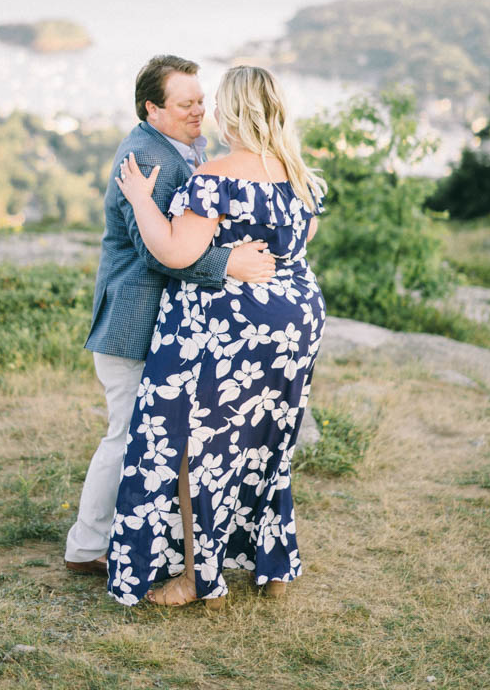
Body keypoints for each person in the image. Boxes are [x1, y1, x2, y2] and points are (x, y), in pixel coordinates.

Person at [107, 64, 326, 608]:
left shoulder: (216, 177)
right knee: (267, 444)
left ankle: (198, 578)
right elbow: (298, 244)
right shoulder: (300, 175)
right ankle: (272, 566)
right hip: (295, 322)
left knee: (194, 451)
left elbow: (177, 252)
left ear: (232, 111)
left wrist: (139, 198)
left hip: (226, 332)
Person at [64, 55, 277, 575]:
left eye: (201, 101)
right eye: (186, 104)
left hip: (165, 329)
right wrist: (233, 262)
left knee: (163, 439)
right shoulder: (146, 159)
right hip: (132, 327)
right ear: (151, 109)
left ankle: (163, 544)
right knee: (127, 436)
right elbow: (160, 250)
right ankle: (88, 546)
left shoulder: (182, 145)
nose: (199, 111)